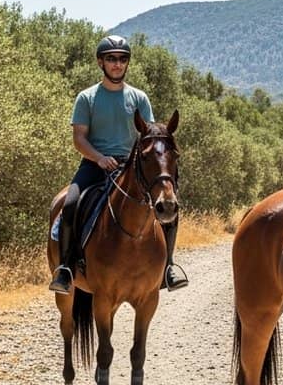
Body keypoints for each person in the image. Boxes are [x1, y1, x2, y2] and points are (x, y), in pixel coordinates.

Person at [49, 35, 188, 294]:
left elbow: (150, 134)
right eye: (111, 59)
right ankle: (66, 269)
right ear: (101, 62)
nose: (117, 64)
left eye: (122, 59)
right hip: (94, 164)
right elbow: (79, 138)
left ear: (127, 63)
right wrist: (99, 158)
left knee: (168, 205)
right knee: (69, 203)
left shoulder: (139, 98)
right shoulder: (87, 98)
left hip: (133, 167)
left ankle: (168, 266)